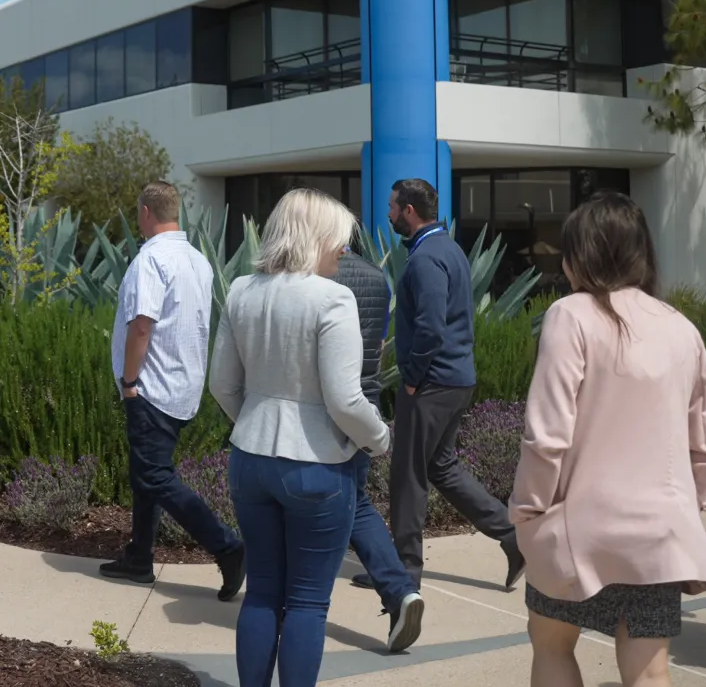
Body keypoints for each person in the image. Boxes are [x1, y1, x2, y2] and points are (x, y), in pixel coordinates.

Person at [509, 191, 706, 687]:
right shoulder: (681, 328)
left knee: (552, 646)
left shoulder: (570, 315)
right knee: (650, 670)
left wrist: (528, 507)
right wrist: (682, 503)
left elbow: (547, 436)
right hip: (658, 536)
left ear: (579, 256)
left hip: (575, 528)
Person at [209, 189, 390, 687]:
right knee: (308, 600)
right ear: (317, 237)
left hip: (250, 457)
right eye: (337, 239)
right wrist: (380, 438)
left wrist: (254, 419)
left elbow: (221, 384)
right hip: (317, 465)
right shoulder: (333, 297)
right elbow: (345, 400)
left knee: (263, 590)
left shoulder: (243, 289)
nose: (341, 249)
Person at [101, 181, 245, 601]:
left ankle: (228, 547)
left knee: (155, 476)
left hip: (151, 387)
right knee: (146, 475)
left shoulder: (151, 260)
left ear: (146, 213)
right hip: (182, 385)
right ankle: (139, 558)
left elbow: (141, 325)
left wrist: (130, 383)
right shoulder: (197, 260)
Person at [387, 178, 524, 591]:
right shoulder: (450, 249)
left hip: (431, 384)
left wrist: (411, 378)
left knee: (407, 476)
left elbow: (430, 328)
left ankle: (404, 574)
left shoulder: (426, 259)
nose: (389, 213)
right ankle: (514, 537)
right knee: (441, 467)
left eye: (393, 207)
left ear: (410, 211)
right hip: (456, 379)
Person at [334, 247, 425, 652]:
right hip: (366, 399)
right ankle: (400, 591)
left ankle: (285, 604)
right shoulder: (376, 276)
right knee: (356, 503)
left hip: (328, 404)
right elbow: (383, 339)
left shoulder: (320, 275)